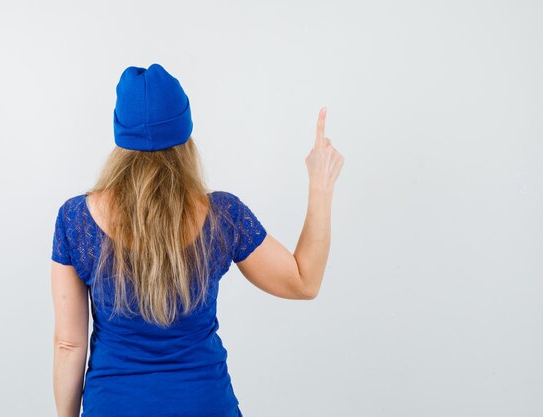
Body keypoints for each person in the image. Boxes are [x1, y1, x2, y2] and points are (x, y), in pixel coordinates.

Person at [50, 63, 344, 417]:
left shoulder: (75, 219)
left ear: (120, 137)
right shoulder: (223, 215)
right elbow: (304, 281)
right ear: (185, 134)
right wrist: (320, 185)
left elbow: (68, 344)